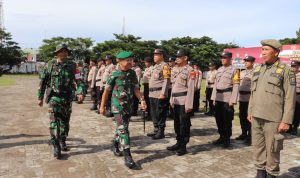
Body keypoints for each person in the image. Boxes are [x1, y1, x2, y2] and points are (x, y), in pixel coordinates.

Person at [248, 39, 296, 178]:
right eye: (262, 50)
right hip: (256, 116)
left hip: (274, 118)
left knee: (273, 150)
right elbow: (253, 92)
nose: (262, 53)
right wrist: (250, 111)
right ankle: (260, 173)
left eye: (266, 50)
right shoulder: (258, 68)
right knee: (258, 148)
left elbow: (290, 97)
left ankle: (271, 174)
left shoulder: (286, 71)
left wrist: (286, 120)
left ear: (276, 52)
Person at [100, 51, 146, 169]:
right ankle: (128, 156)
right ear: (119, 61)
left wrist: (142, 100)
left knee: (122, 127)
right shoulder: (114, 74)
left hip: (128, 106)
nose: (130, 62)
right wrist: (102, 106)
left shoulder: (132, 73)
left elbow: (136, 89)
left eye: (131, 60)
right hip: (117, 106)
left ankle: (115, 143)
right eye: (127, 60)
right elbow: (106, 91)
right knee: (124, 130)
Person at [38, 44, 85, 159]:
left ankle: (62, 139)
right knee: (54, 121)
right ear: (57, 53)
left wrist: (80, 92)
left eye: (65, 51)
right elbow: (43, 81)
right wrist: (40, 97)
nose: (63, 53)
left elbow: (79, 80)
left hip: (67, 98)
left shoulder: (73, 66)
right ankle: (56, 144)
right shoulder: (50, 64)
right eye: (61, 51)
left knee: (65, 121)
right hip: (54, 97)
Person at [167, 49, 195, 156]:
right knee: (176, 123)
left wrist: (189, 104)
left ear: (185, 58)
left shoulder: (190, 70)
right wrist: (171, 99)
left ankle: (183, 146)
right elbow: (173, 86)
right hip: (175, 100)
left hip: (184, 101)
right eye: (176, 57)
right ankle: (178, 142)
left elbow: (191, 89)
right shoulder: (174, 69)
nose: (177, 59)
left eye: (179, 57)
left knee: (184, 124)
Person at [211, 52, 239, 148]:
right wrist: (213, 97)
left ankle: (227, 139)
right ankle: (221, 136)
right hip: (218, 97)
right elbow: (215, 84)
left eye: (225, 58)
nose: (222, 59)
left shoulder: (234, 70)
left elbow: (236, 85)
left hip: (227, 98)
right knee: (218, 119)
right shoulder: (219, 69)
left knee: (227, 120)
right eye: (221, 57)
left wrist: (233, 99)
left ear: (230, 59)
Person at [147, 49, 171, 139]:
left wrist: (163, 93)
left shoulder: (165, 66)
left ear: (161, 56)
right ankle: (156, 129)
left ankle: (161, 131)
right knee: (153, 113)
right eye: (154, 55)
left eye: (156, 55)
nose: (154, 56)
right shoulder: (155, 66)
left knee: (160, 113)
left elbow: (167, 80)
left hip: (159, 93)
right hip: (152, 93)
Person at [235, 56, 255, 145]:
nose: (246, 63)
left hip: (250, 98)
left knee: (250, 117)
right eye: (245, 61)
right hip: (241, 98)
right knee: (242, 116)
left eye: (248, 61)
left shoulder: (255, 73)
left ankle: (250, 136)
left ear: (252, 62)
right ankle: (243, 133)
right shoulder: (241, 72)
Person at [289, 61, 300, 135]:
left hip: (298, 95)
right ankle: (289, 127)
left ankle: (295, 128)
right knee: (289, 111)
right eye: (292, 66)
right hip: (289, 95)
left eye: (294, 66)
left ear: (298, 67)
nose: (292, 67)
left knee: (297, 112)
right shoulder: (289, 74)